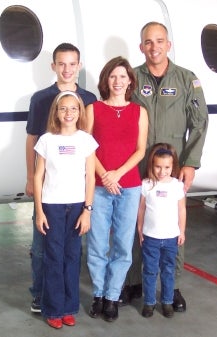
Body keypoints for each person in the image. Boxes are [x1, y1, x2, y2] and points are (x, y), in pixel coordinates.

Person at [121, 21, 209, 312]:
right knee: (137, 220)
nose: (154, 47)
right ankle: (134, 281)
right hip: (139, 161)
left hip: (172, 165)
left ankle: (173, 287)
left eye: (159, 41)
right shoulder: (132, 78)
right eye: (148, 42)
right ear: (141, 46)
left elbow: (199, 123)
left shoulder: (187, 79)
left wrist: (191, 163)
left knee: (172, 223)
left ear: (168, 45)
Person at [25, 43, 97, 313]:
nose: (67, 69)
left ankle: (67, 305)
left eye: (72, 63)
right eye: (61, 64)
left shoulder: (89, 99)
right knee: (43, 249)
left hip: (76, 195)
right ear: (53, 66)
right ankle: (41, 295)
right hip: (50, 194)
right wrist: (31, 179)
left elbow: (88, 142)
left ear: (79, 66)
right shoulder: (41, 99)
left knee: (70, 253)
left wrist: (88, 204)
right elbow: (32, 140)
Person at [85, 56, 148, 322]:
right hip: (98, 187)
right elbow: (86, 146)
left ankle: (112, 296)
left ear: (130, 81)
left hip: (129, 187)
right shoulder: (94, 109)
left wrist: (117, 175)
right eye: (113, 76)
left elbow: (140, 150)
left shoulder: (139, 112)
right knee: (97, 244)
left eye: (123, 76)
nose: (118, 81)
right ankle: (98, 293)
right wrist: (104, 176)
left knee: (123, 246)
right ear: (106, 80)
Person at [33, 91, 97, 329]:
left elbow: (90, 177)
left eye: (73, 108)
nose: (68, 113)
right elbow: (38, 176)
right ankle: (53, 309)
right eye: (63, 109)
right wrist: (39, 211)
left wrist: (87, 210)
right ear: (56, 113)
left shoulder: (86, 140)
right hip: (52, 206)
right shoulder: (47, 140)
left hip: (77, 206)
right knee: (53, 258)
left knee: (72, 257)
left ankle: (69, 308)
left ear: (79, 112)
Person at [138, 143, 186, 318]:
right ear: (152, 165)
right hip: (151, 238)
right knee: (150, 271)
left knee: (168, 270)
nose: (162, 171)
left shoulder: (176, 186)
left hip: (171, 238)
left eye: (166, 167)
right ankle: (149, 302)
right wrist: (140, 229)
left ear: (172, 167)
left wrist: (181, 231)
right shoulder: (147, 185)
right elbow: (142, 209)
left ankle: (167, 301)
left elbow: (182, 210)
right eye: (158, 166)